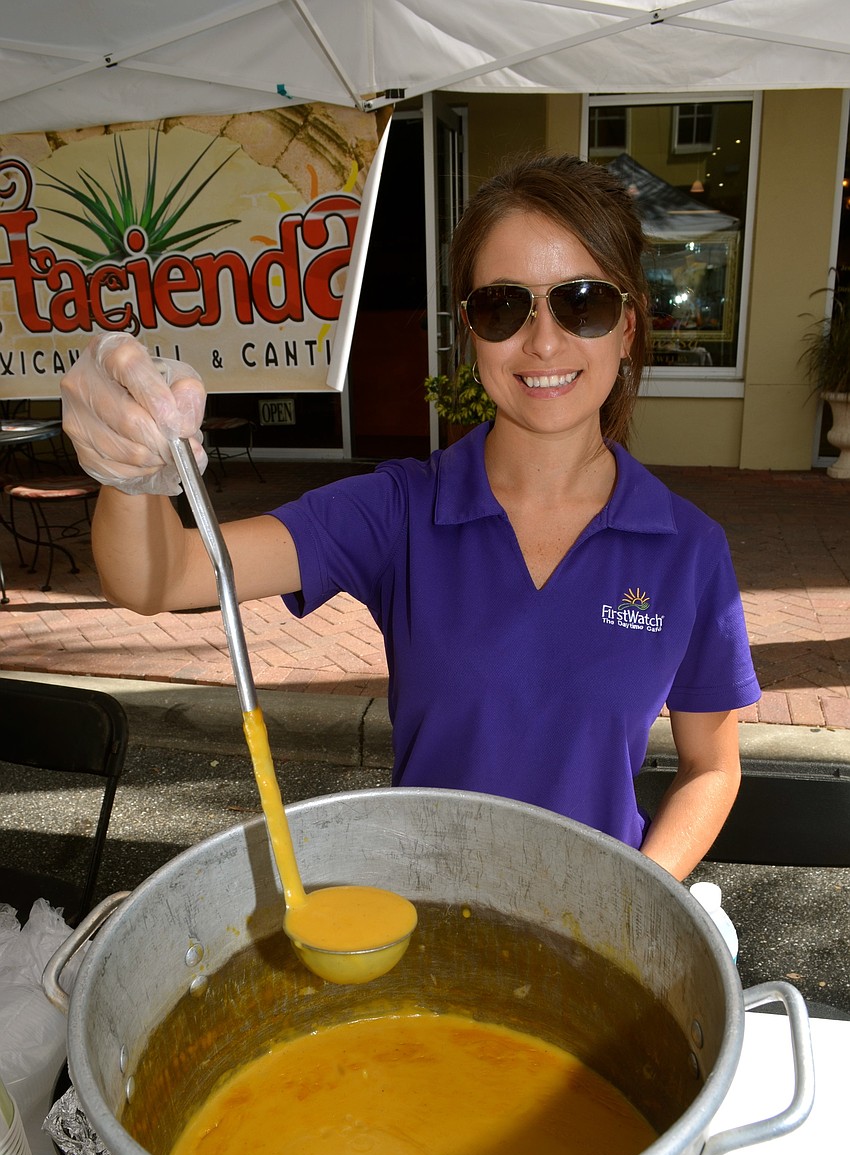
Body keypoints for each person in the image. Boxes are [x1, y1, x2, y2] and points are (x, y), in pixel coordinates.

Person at [60, 153, 760, 881]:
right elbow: (158, 575)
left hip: (594, 941)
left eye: (582, 303)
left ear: (627, 327)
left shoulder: (689, 550)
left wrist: (637, 898)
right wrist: (131, 467)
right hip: (424, 924)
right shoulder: (400, 509)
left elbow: (711, 767)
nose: (543, 341)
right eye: (504, 306)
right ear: (470, 331)